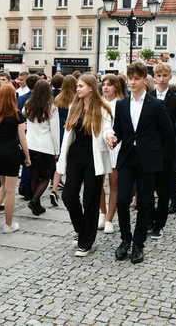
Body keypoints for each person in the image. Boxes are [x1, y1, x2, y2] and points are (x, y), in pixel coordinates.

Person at [106, 64, 175, 264]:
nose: (133, 82)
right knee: (122, 200)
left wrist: (161, 159)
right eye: (130, 78)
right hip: (127, 159)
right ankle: (125, 240)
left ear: (145, 79)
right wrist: (113, 138)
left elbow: (168, 134)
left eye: (137, 78)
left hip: (148, 161)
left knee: (145, 203)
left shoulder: (155, 105)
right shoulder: (122, 104)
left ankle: (138, 243)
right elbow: (118, 129)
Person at [57, 74, 113, 257]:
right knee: (68, 196)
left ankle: (86, 242)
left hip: (94, 158)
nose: (77, 89)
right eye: (77, 86)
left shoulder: (103, 108)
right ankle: (82, 229)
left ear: (90, 88)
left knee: (90, 200)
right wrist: (60, 163)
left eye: (80, 86)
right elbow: (67, 135)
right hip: (75, 156)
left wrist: (109, 136)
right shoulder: (75, 106)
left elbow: (106, 128)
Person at [0, 84, 30, 233]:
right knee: (10, 190)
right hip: (11, 153)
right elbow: (23, 139)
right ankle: (8, 224)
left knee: (3, 187)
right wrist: (27, 156)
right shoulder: (17, 115)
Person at [150, 63, 176, 233]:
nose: (162, 79)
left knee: (163, 187)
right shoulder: (148, 96)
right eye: (159, 75)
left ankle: (159, 223)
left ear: (170, 77)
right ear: (154, 77)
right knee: (148, 187)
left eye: (165, 75)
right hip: (149, 148)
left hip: (166, 149)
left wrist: (169, 133)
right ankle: (149, 219)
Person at [23, 80, 60, 216]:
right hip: (46, 146)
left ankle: (37, 205)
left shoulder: (28, 104)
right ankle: (34, 201)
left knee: (34, 176)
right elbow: (55, 131)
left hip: (30, 145)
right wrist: (57, 150)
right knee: (45, 177)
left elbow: (24, 119)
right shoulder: (51, 107)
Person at [98, 74, 126, 234]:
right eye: (104, 84)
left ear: (116, 86)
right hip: (100, 146)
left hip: (116, 146)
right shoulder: (99, 104)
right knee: (98, 183)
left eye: (109, 84)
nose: (106, 87)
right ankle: (102, 212)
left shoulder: (121, 104)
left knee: (114, 183)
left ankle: (109, 218)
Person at [49, 75, 77, 205]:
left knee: (59, 161)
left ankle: (54, 187)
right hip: (70, 131)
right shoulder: (76, 99)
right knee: (69, 160)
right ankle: (68, 185)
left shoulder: (57, 98)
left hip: (58, 130)